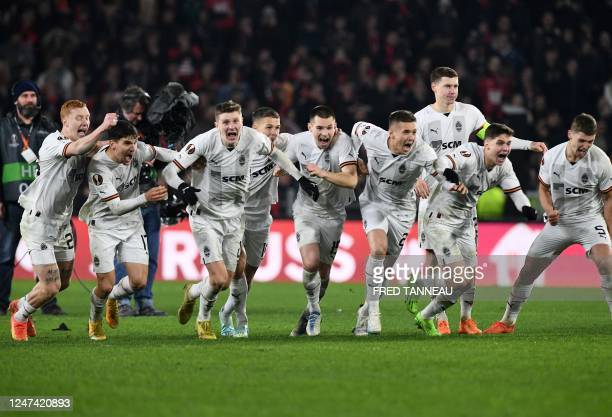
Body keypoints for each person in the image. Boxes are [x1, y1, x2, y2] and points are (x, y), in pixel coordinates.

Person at [162, 100, 318, 340]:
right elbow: (168, 171)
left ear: (242, 122)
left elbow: (277, 153)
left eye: (235, 121)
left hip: (235, 218)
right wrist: (182, 188)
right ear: (217, 124)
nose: (231, 126)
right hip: (206, 216)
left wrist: (300, 178)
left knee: (225, 281)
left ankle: (192, 292)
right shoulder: (204, 142)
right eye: (226, 122)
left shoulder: (253, 139)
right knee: (219, 278)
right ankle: (204, 320)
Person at [411, 66, 547, 334]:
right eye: (447, 86)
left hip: (464, 196)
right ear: (434, 87)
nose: (452, 91)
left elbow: (494, 138)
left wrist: (527, 144)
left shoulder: (470, 113)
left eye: (456, 86)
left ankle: (466, 318)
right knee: (435, 260)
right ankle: (439, 317)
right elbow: (408, 153)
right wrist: (415, 179)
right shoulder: (421, 119)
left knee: (469, 262)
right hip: (434, 194)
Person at [484, 114, 612, 334]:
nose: (585, 146)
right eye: (581, 140)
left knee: (607, 263)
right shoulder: (552, 157)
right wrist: (549, 209)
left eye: (590, 141)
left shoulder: (601, 161)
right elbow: (543, 188)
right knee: (528, 271)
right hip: (559, 223)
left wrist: (609, 233)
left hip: (589, 220)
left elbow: (609, 198)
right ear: (570, 134)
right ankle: (507, 322)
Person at [8, 100, 117, 341]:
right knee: (50, 286)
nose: (85, 122)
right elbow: (77, 148)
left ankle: (23, 303)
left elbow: (99, 147)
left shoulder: (85, 145)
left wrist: (125, 145)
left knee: (63, 282)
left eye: (87, 118)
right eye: (79, 118)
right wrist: (103, 127)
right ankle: (20, 316)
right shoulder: (53, 142)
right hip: (39, 223)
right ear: (64, 121)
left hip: (63, 224)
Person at [79, 120, 175, 340]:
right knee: (105, 285)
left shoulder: (137, 150)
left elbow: (163, 153)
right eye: (127, 143)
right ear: (112, 144)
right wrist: (145, 197)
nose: (132, 148)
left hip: (131, 224)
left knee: (139, 281)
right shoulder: (99, 167)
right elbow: (116, 207)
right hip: (104, 226)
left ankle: (113, 298)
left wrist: (191, 157)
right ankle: (95, 321)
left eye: (135, 142)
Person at [350, 110, 437, 336]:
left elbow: (437, 170)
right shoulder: (372, 136)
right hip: (374, 202)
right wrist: (354, 159)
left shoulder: (423, 150)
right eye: (406, 132)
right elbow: (356, 128)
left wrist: (421, 179)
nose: (411, 137)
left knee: (385, 270)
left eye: (414, 132)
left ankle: (364, 311)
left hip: (403, 210)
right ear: (391, 133)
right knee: (378, 250)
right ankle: (375, 312)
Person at [218, 107, 291, 338]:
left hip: (261, 219)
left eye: (277, 127)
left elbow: (308, 141)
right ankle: (240, 319)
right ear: (254, 128)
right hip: (235, 218)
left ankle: (225, 312)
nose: (274, 132)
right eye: (269, 127)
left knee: (247, 277)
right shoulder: (236, 149)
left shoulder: (281, 144)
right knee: (235, 271)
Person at [285, 105, 358, 337]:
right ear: (310, 128)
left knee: (324, 276)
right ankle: (315, 310)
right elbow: (282, 164)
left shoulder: (344, 142)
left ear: (336, 128)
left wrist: (322, 173)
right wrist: (287, 173)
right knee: (310, 263)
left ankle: (306, 316)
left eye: (329, 128)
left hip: (334, 215)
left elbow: (351, 180)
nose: (325, 133)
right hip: (305, 211)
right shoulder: (298, 142)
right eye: (320, 128)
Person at [0, 81, 56, 315]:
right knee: (5, 254)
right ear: (16, 100)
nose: (30, 99)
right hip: (12, 201)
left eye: (33, 95)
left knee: (46, 253)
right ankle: (1, 304)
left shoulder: (48, 127)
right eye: (25, 95)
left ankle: (48, 304)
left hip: (41, 202)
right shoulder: (3, 127)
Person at [113, 86, 167, 317]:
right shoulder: (112, 128)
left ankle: (145, 301)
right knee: (123, 255)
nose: (139, 116)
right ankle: (122, 301)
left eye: (142, 112)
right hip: (125, 200)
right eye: (135, 112)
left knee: (151, 254)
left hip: (150, 198)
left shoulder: (150, 128)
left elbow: (161, 163)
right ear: (125, 108)